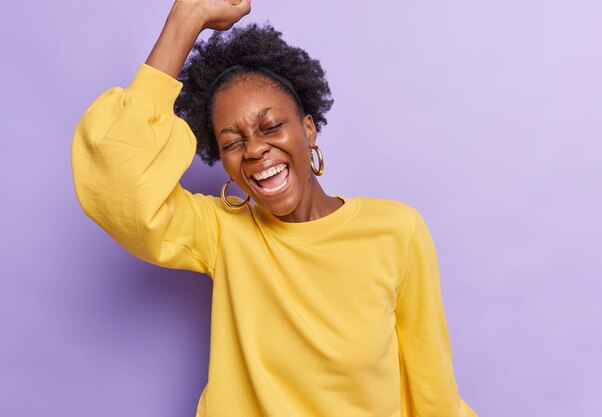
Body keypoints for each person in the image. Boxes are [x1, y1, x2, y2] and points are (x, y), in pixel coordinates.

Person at [71, 1, 479, 416]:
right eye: (231, 142)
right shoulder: (220, 233)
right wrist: (185, 19)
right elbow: (115, 185)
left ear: (307, 128)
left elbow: (432, 389)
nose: (254, 149)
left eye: (270, 127)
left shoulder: (396, 230)